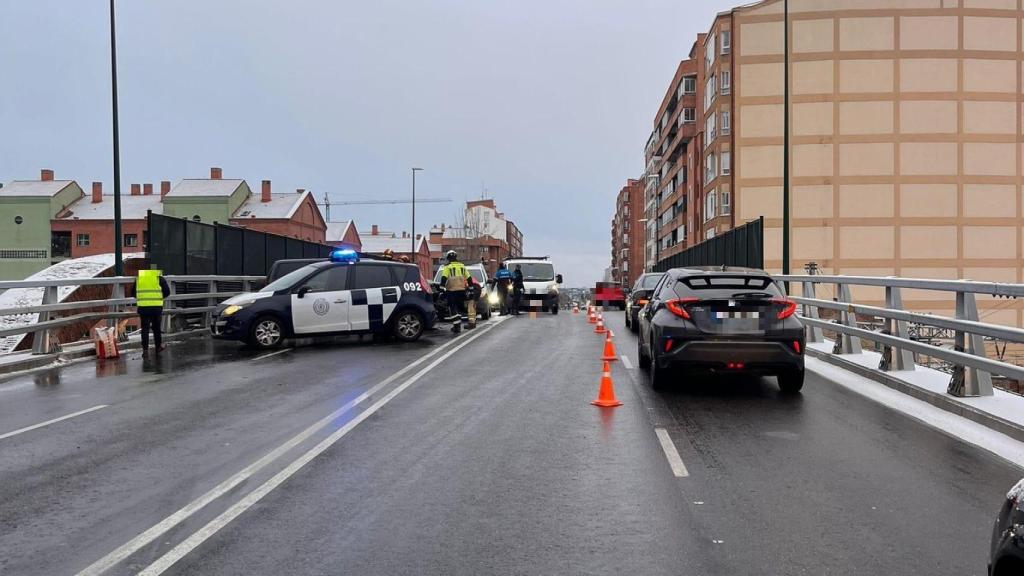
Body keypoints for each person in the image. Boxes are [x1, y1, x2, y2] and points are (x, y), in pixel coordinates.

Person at [135, 267, 171, 357]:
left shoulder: (139, 278)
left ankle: (145, 351)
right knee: (156, 328)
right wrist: (159, 297)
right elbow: (167, 292)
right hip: (156, 307)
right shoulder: (159, 278)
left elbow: (133, 293)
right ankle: (158, 347)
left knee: (145, 329)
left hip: (143, 307)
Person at [440, 250, 469, 333]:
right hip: (461, 290)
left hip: (452, 290)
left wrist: (441, 288)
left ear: (448, 258)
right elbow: (469, 278)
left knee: (453, 308)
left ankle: (457, 326)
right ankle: (457, 325)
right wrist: (470, 288)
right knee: (458, 309)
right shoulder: (462, 266)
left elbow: (444, 278)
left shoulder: (447, 267)